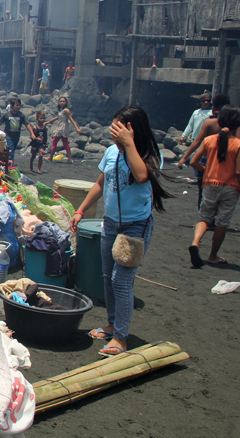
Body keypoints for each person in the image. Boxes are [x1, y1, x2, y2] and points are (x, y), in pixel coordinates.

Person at [72, 106, 171, 357]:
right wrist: (81, 210)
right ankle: (113, 323)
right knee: (107, 276)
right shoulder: (111, 152)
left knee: (122, 280)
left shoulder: (148, 154)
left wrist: (129, 145)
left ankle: (121, 338)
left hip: (135, 226)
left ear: (131, 130)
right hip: (111, 223)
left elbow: (141, 176)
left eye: (118, 128)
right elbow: (100, 183)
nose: (112, 132)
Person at [188, 106, 240, 267]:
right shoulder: (238, 144)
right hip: (230, 187)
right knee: (222, 222)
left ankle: (195, 242)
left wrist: (207, 170)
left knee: (204, 217)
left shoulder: (209, 140)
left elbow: (193, 162)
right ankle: (212, 256)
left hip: (210, 184)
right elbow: (238, 171)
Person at [180, 94, 231, 208]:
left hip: (205, 148)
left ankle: (204, 217)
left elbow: (198, 143)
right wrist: (184, 135)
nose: (206, 102)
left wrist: (184, 158)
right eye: (204, 100)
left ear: (213, 108)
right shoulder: (197, 113)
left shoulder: (210, 120)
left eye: (208, 101)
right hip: (221, 158)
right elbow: (190, 125)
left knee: (204, 188)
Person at [0, 97, 36, 164]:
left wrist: (32, 133)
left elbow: (27, 124)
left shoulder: (21, 115)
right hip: (8, 136)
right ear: (12, 106)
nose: (18, 107)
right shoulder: (7, 114)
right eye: (16, 105)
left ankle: (7, 164)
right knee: (10, 150)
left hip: (16, 137)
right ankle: (9, 165)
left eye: (19, 105)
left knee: (11, 150)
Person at [45, 97, 82, 164]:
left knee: (55, 141)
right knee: (64, 143)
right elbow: (58, 117)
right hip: (60, 126)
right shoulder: (61, 110)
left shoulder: (66, 110)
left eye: (63, 101)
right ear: (59, 102)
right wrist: (49, 122)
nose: (62, 102)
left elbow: (71, 119)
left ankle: (51, 157)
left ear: (66, 103)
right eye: (61, 101)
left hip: (63, 127)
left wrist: (77, 128)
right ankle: (69, 159)